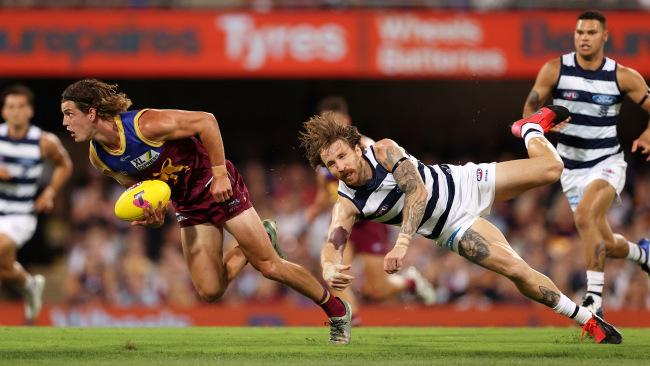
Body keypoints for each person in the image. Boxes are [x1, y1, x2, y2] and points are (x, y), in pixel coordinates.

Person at [60, 79, 352, 344]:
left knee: (270, 266)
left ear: (93, 113)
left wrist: (220, 173)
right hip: (188, 205)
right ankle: (258, 237)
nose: (65, 122)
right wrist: (154, 213)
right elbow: (144, 188)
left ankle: (338, 312)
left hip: (217, 186)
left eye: (70, 113)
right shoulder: (100, 159)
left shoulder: (144, 125)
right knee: (210, 291)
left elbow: (206, 122)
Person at [299, 106, 622, 344]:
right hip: (452, 227)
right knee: (516, 270)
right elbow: (333, 243)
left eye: (342, 156)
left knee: (552, 168)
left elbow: (417, 191)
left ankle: (530, 128)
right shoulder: (347, 204)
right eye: (331, 164)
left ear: (357, 148)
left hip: (466, 181)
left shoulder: (382, 150)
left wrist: (402, 244)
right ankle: (587, 320)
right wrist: (328, 267)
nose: (340, 167)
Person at [523, 10, 650, 317]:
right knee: (604, 241)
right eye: (580, 32)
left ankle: (594, 298)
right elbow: (530, 107)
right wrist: (540, 124)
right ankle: (641, 253)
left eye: (591, 33)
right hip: (570, 168)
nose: (584, 38)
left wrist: (647, 134)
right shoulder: (555, 69)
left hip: (607, 162)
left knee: (583, 216)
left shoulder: (622, 76)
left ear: (604, 37)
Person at [306, 97, 435, 324]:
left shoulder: (366, 147)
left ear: (346, 121)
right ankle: (351, 320)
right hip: (346, 219)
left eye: (335, 123)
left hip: (371, 219)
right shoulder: (325, 157)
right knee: (335, 272)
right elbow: (324, 189)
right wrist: (316, 209)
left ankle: (410, 282)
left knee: (377, 289)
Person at [0, 84, 73, 323]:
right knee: (5, 268)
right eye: (11, 107)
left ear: (30, 111)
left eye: (21, 107)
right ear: (4, 112)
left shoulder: (43, 142)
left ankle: (29, 286)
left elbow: (65, 164)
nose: (16, 112)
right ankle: (30, 285)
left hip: (20, 214)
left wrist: (50, 192)